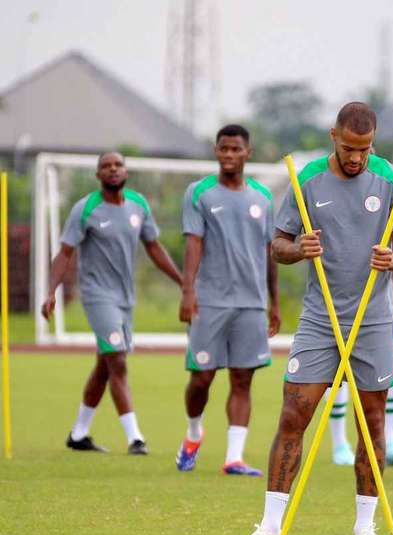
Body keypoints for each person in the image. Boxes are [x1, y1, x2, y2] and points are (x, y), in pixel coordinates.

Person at [228, 102, 393, 535]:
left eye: (365, 149)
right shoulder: (306, 179)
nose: (356, 158)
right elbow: (277, 245)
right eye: (350, 148)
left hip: (373, 320)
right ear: (334, 135)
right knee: (294, 414)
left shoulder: (392, 181)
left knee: (372, 424)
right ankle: (270, 526)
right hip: (320, 317)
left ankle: (363, 530)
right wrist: (299, 249)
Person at [41, 152, 182, 454]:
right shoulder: (85, 209)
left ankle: (78, 434)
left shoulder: (138, 205)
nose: (113, 170)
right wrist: (51, 291)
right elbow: (65, 253)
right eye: (106, 166)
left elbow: (154, 248)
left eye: (118, 165)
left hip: (125, 298)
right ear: (98, 175)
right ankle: (135, 438)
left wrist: (184, 283)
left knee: (105, 364)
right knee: (117, 359)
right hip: (96, 295)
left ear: (126, 171)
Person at [175, 124, 280, 476]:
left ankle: (234, 458)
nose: (230, 155)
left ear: (248, 153)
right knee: (202, 377)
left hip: (251, 302)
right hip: (210, 301)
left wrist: (274, 304)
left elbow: (270, 253)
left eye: (236, 149)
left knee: (242, 379)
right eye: (224, 149)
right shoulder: (199, 193)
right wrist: (188, 292)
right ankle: (193, 433)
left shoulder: (263, 197)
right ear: (216, 151)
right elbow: (193, 244)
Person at [329, 338, 393, 467]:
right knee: (338, 360)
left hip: (379, 319)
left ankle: (392, 442)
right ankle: (339, 445)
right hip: (338, 320)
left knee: (391, 357)